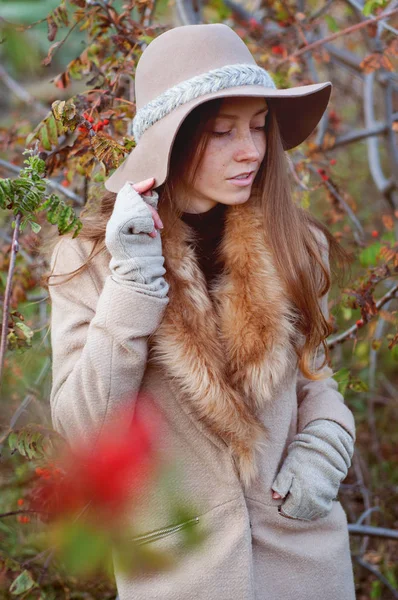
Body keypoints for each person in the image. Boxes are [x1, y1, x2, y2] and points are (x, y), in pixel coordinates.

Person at [47, 23, 357, 600]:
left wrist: (323, 450)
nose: (253, 150)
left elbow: (318, 382)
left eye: (260, 126)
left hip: (306, 569)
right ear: (172, 139)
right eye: (223, 131)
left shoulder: (293, 240)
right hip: (179, 576)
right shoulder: (90, 261)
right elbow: (85, 432)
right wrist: (133, 286)